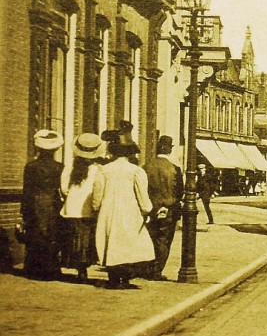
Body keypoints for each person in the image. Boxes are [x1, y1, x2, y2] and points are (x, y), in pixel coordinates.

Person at [92, 122, 155, 289]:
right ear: (130, 153)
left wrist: (96, 207)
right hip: (130, 212)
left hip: (109, 211)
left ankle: (113, 278)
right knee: (128, 243)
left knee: (111, 241)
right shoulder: (136, 171)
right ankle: (125, 278)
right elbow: (143, 196)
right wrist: (147, 209)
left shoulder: (104, 170)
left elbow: (97, 194)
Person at [21, 129, 65, 280]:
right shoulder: (60, 167)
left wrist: (24, 210)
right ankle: (51, 269)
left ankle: (33, 269)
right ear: (55, 149)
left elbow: (27, 190)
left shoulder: (31, 167)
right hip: (54, 203)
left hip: (35, 202)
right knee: (52, 235)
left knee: (35, 234)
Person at [60, 133, 103, 283]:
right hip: (88, 209)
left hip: (71, 209)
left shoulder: (70, 167)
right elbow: (99, 189)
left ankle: (79, 269)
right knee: (86, 240)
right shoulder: (98, 169)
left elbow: (64, 188)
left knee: (74, 239)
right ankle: (84, 268)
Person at [142, 135, 183, 281]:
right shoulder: (175, 169)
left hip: (151, 209)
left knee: (151, 238)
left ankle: (147, 267)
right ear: (170, 150)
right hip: (169, 209)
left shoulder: (146, 167)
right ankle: (157, 271)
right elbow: (180, 192)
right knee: (164, 240)